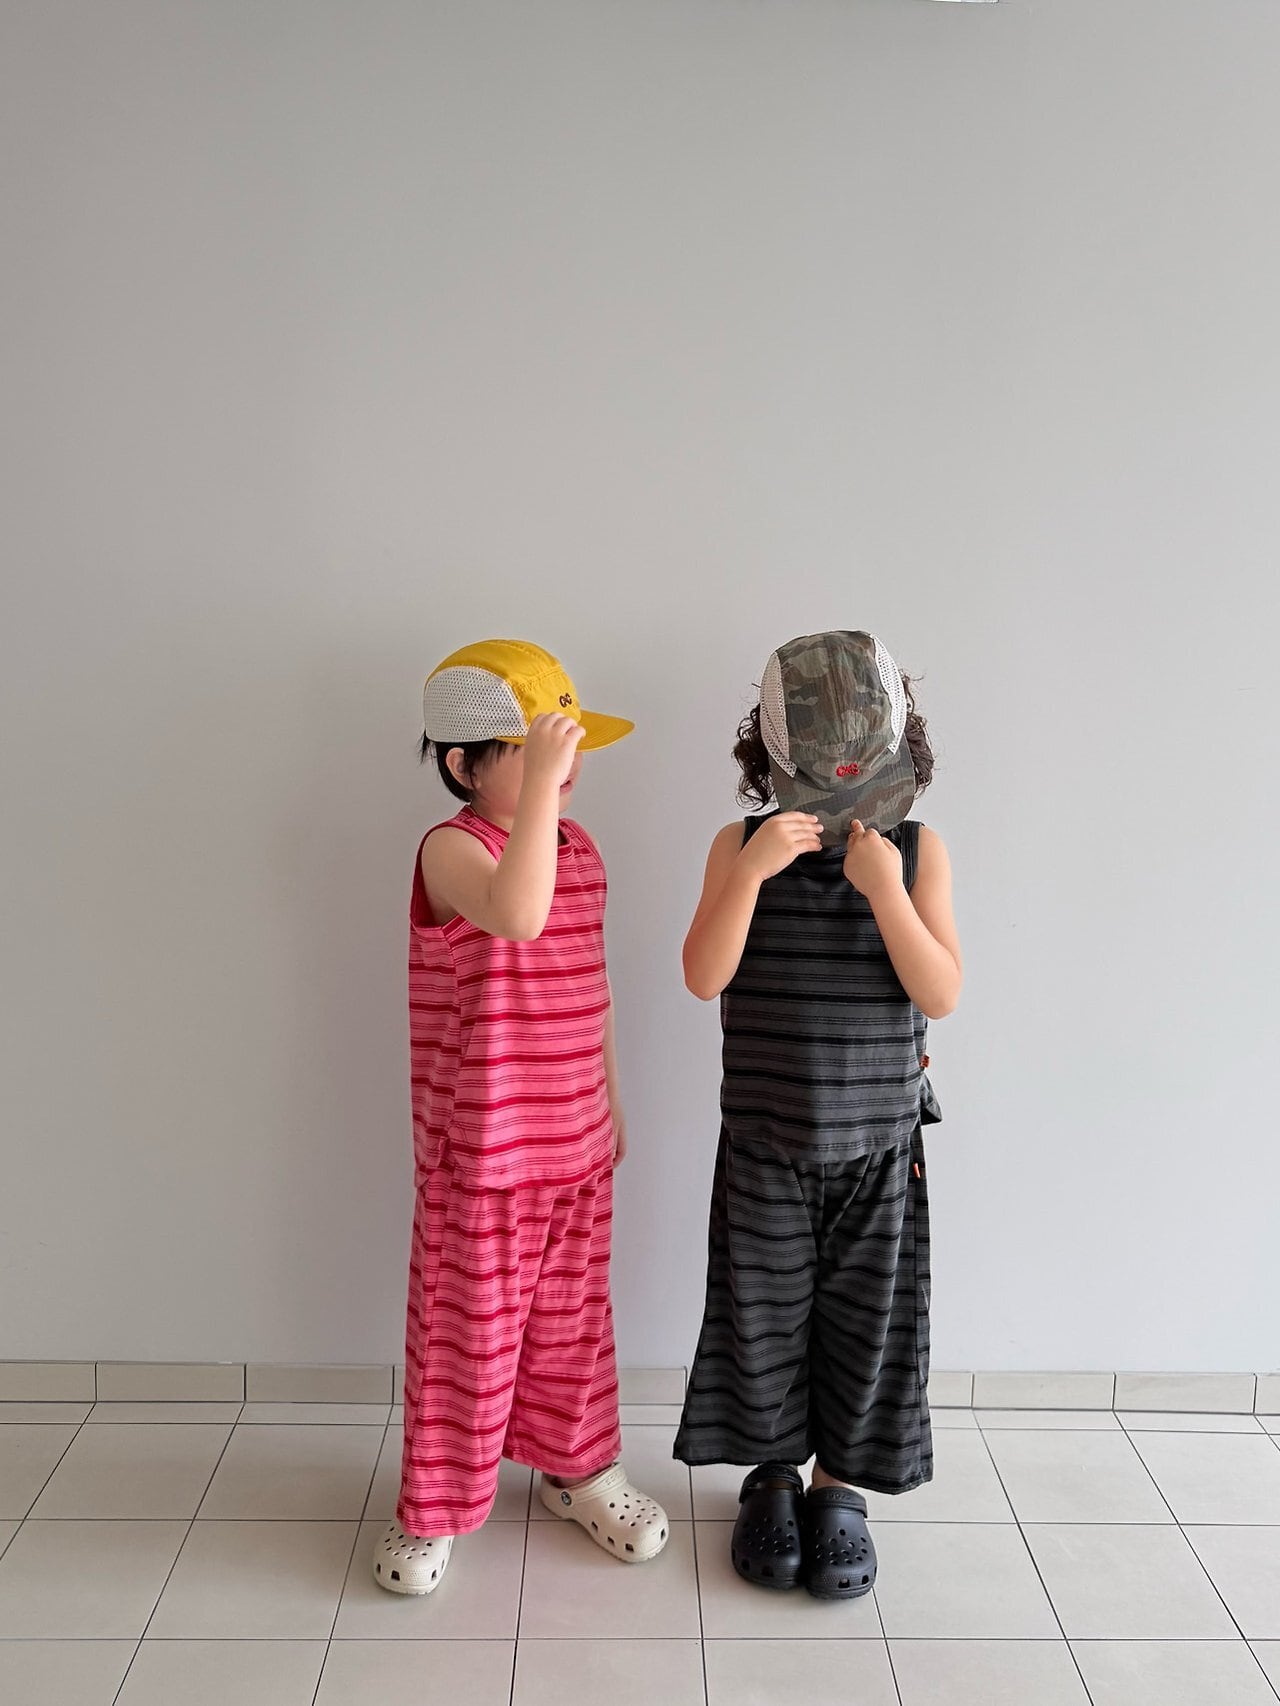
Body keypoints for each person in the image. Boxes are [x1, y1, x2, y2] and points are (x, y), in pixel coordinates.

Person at [673, 630, 962, 1601]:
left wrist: (885, 893)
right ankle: (771, 1477)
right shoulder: (738, 846)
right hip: (764, 1139)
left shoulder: (916, 851)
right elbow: (702, 974)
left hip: (879, 1144)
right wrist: (751, 872)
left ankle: (839, 1485)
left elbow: (941, 989)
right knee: (760, 1320)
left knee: (866, 1325)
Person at [375, 638, 668, 1595]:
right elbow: (518, 914)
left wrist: (611, 1097)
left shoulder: (579, 849)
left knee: (572, 1326)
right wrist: (539, 790)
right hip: (486, 1149)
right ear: (465, 765)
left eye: (569, 746)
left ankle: (578, 1467)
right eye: (537, 749)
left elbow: (592, 985)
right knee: (466, 1336)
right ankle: (433, 1511)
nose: (565, 765)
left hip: (573, 1140)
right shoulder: (452, 848)